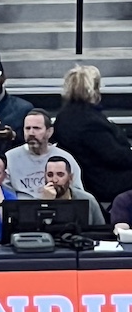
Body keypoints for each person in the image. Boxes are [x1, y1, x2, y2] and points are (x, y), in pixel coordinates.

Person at [50, 63, 132, 206]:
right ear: (93, 90)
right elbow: (117, 157)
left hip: (91, 175)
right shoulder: (90, 122)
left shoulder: (64, 115)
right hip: (102, 181)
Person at [5, 109, 82, 199]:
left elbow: (78, 194)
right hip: (21, 210)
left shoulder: (65, 158)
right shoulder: (10, 158)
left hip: (59, 209)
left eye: (36, 128)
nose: (31, 133)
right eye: (27, 128)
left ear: (49, 131)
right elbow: (5, 195)